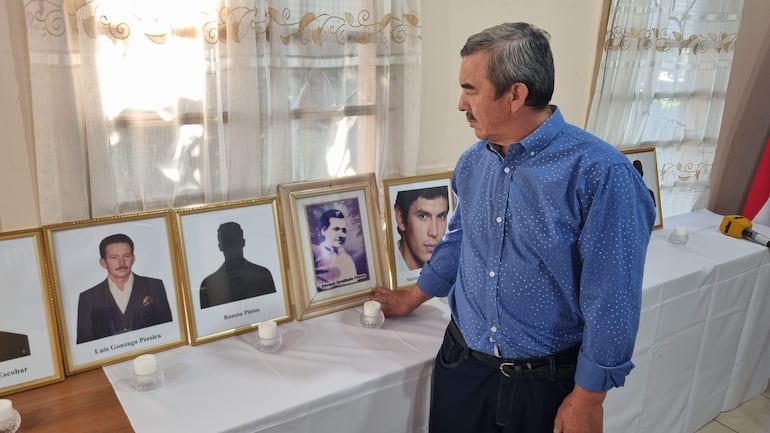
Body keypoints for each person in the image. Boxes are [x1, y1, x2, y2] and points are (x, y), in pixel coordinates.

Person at [372, 22, 656, 433]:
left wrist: (589, 398)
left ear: (516, 95)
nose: (460, 104)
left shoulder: (600, 174)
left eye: (470, 89)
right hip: (462, 368)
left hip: (541, 386)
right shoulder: (473, 162)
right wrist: (412, 298)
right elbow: (459, 241)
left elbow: (612, 297)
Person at [76, 234, 173, 344]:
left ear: (133, 259)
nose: (121, 263)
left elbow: (168, 331)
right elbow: (85, 344)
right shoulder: (88, 298)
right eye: (114, 257)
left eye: (126, 256)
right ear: (103, 263)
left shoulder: (155, 286)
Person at [199, 222, 277, 309]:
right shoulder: (208, 285)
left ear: (242, 242)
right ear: (220, 246)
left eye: (233, 241)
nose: (231, 247)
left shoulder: (263, 275)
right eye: (227, 242)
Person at [393, 186, 450, 283]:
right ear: (401, 219)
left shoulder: (451, 270)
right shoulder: (385, 274)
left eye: (441, 216)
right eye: (423, 216)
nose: (434, 232)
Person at [312, 209, 358, 290]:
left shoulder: (348, 259)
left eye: (343, 230)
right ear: (323, 231)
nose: (341, 234)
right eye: (336, 229)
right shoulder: (314, 253)